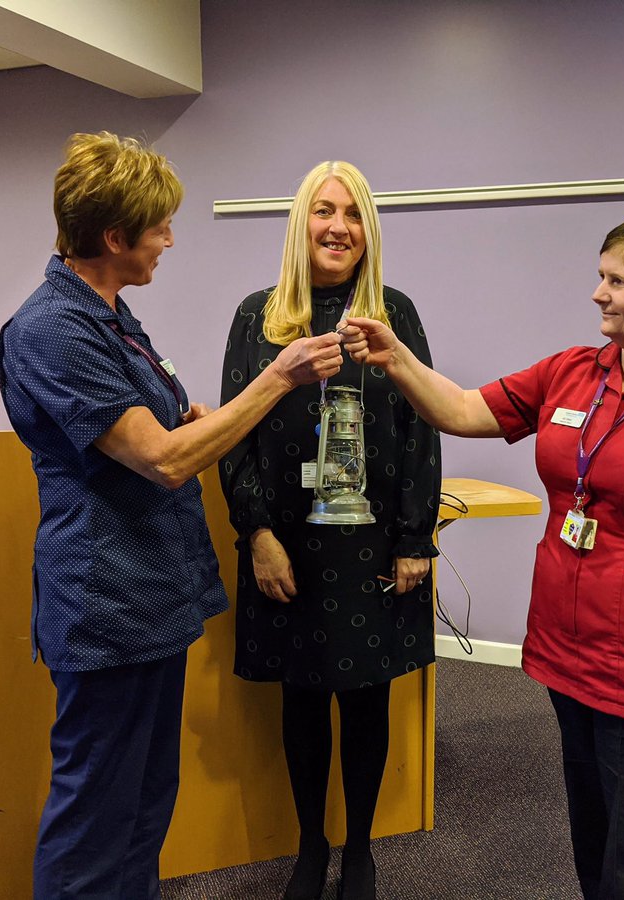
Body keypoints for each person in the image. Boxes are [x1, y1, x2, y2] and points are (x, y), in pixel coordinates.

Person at [342, 212, 624, 899]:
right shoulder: (572, 373)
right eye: (599, 277)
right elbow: (462, 409)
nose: (598, 293)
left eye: (617, 280)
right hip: (567, 653)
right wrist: (396, 356)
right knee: (596, 844)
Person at [0, 132, 344, 900]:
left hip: (150, 598)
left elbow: (162, 430)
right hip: (105, 607)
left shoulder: (108, 312)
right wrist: (276, 380)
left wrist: (192, 419)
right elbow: (164, 460)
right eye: (159, 227)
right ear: (114, 237)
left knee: (145, 802)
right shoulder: (52, 328)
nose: (170, 240)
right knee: (95, 813)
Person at [219, 161, 441, 900]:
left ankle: (361, 851)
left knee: (367, 697)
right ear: (300, 224)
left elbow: (420, 430)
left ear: (368, 230)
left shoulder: (393, 314)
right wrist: (256, 534)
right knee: (303, 697)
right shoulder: (258, 316)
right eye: (323, 210)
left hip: (370, 544)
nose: (338, 226)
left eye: (352, 213)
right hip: (288, 544)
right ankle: (311, 846)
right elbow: (234, 434)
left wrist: (415, 539)